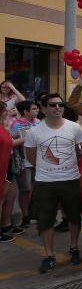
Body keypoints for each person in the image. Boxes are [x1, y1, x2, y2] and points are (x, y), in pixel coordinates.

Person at [24, 93, 82, 273]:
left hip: (71, 179)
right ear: (43, 109)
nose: (57, 108)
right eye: (52, 105)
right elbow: (31, 157)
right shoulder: (34, 132)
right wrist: (49, 169)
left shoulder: (75, 128)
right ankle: (49, 255)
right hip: (45, 182)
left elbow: (81, 151)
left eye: (60, 105)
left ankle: (74, 248)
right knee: (46, 220)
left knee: (74, 217)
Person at [10, 100, 39, 228]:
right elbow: (14, 141)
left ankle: (35, 213)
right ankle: (25, 215)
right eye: (33, 109)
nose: (37, 110)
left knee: (36, 188)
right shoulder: (17, 124)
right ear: (26, 112)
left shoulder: (38, 122)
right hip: (23, 162)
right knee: (25, 189)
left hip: (38, 161)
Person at [1, 103, 26, 242]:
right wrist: (25, 138)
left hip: (10, 163)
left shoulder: (5, 123)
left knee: (11, 195)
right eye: (5, 110)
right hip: (2, 165)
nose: (8, 111)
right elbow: (9, 142)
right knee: (2, 197)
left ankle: (7, 225)